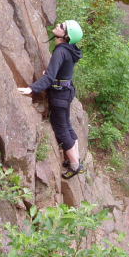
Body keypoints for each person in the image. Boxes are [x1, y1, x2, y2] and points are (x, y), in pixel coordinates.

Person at [18, 20, 83, 179]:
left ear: (66, 35)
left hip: (60, 95)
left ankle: (75, 165)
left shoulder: (61, 51)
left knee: (61, 130)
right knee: (67, 125)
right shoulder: (69, 49)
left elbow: (49, 77)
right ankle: (76, 159)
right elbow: (59, 69)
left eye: (62, 26)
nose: (58, 25)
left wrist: (31, 88)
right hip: (66, 91)